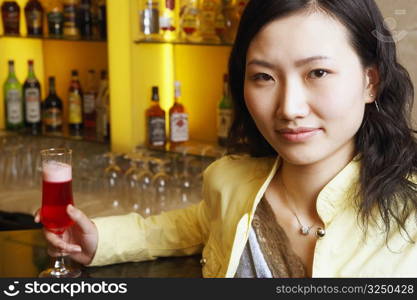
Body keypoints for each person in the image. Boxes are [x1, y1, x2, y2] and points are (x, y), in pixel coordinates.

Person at [36, 0, 417, 278]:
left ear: (371, 81)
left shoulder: (410, 212)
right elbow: (183, 228)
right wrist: (99, 239)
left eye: (317, 72)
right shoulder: (229, 184)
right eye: (263, 77)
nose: (289, 107)